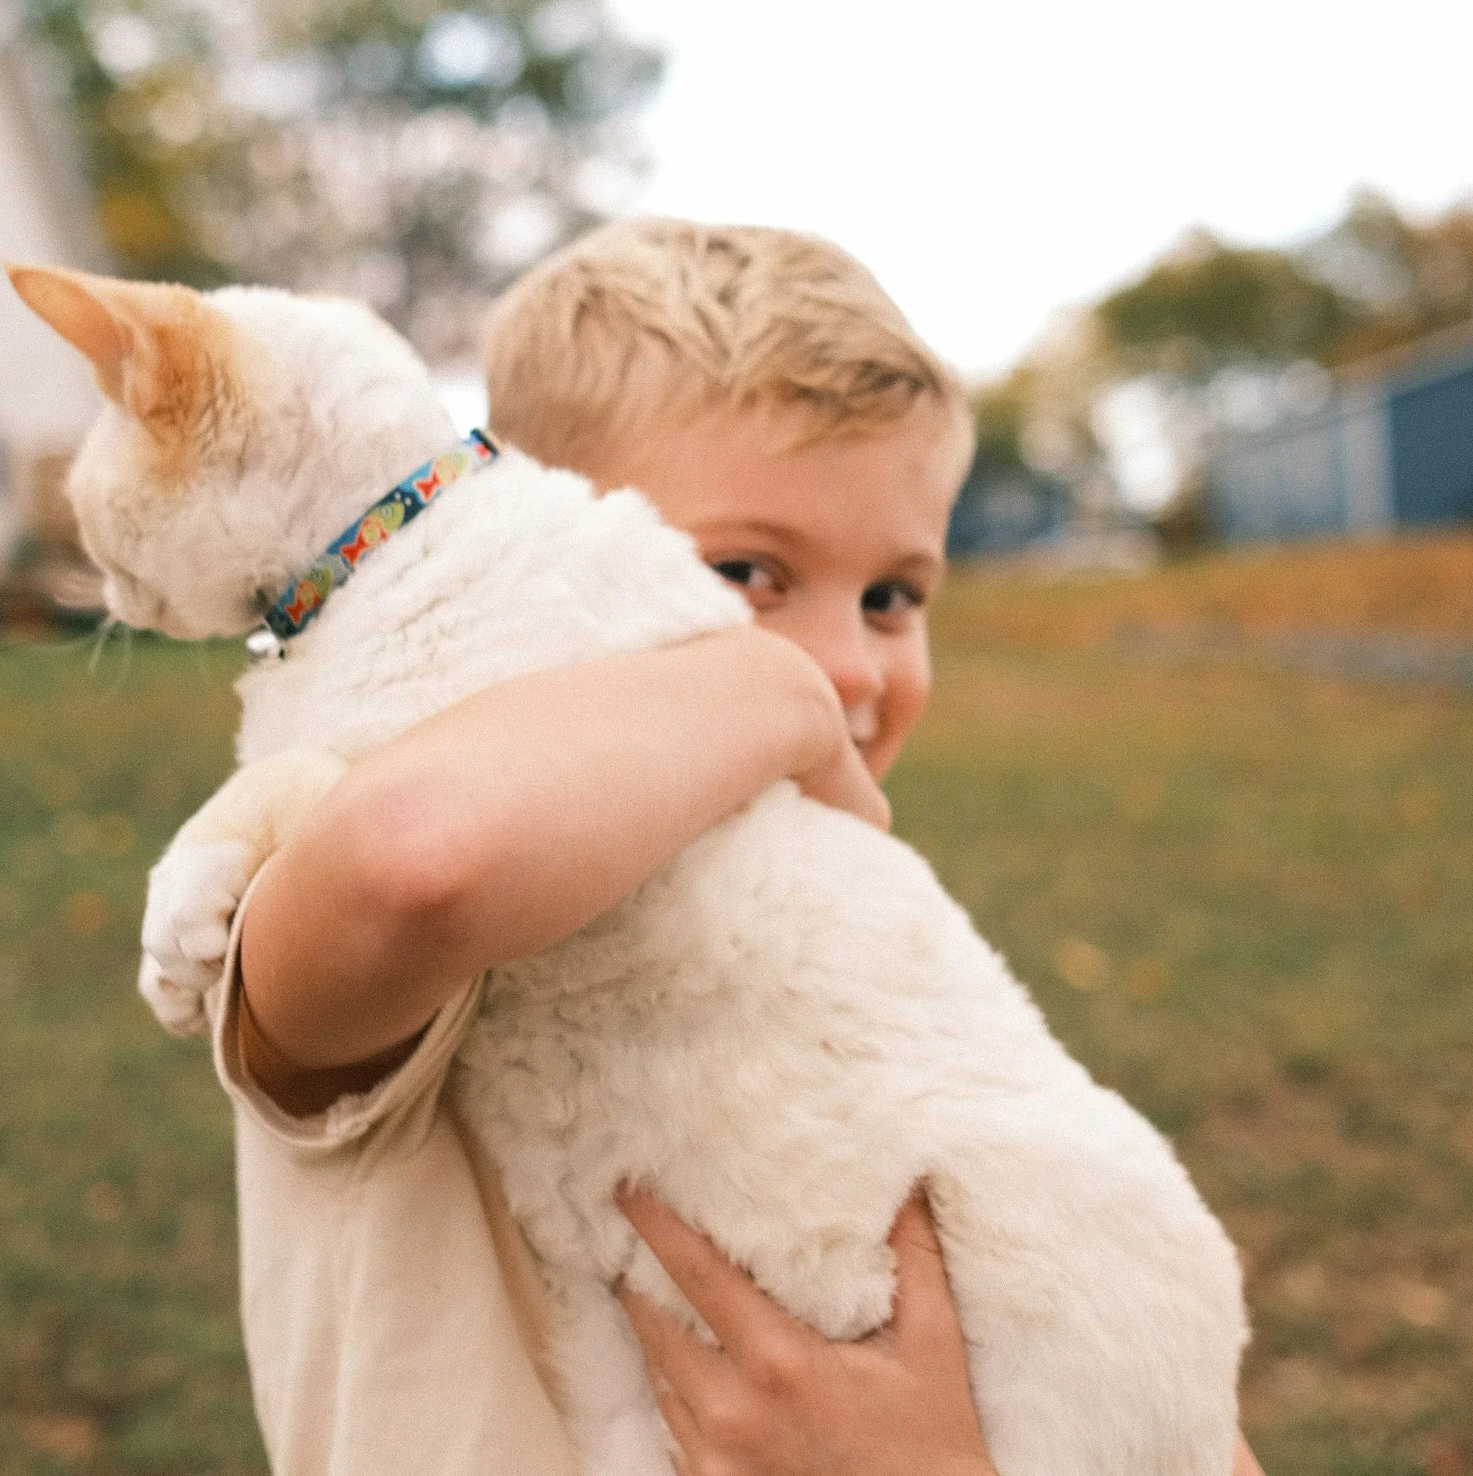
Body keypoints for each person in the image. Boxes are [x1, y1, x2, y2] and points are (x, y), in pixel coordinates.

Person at [206, 217, 1262, 1475]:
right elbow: (416, 858)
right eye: (750, 570)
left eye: (893, 595)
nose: (850, 669)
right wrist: (771, 699)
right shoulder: (361, 889)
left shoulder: (843, 942)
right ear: (534, 544)